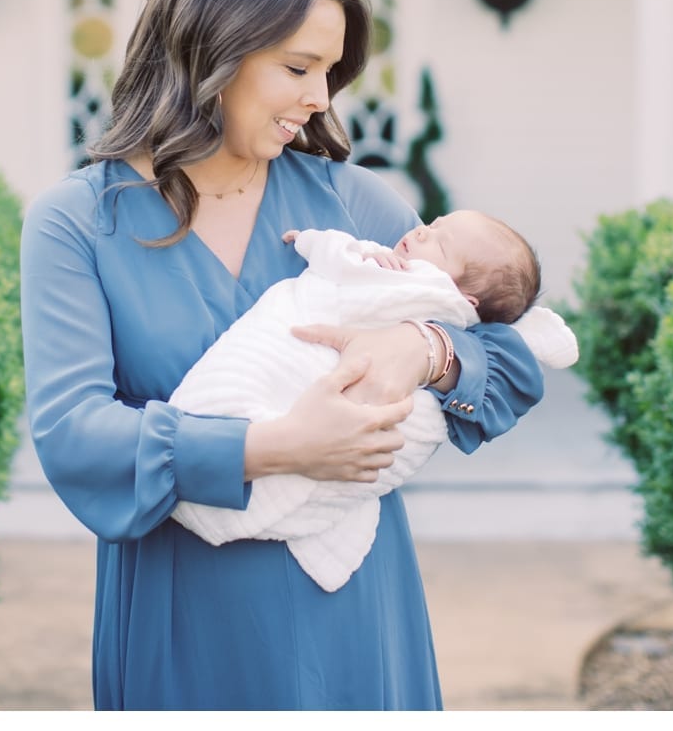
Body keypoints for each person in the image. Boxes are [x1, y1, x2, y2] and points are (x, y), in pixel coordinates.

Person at [20, 0, 545, 711]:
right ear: (208, 51)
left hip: (356, 609)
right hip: (183, 616)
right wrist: (273, 446)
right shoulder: (74, 224)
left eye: (331, 72)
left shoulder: (356, 201)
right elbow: (74, 433)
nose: (321, 98)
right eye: (298, 67)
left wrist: (423, 348)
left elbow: (507, 356)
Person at [166, 214, 578, 593]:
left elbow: (508, 373)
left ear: (466, 301)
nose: (421, 231)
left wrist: (429, 346)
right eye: (431, 225)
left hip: (344, 428)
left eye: (440, 243)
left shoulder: (411, 276)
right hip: (184, 548)